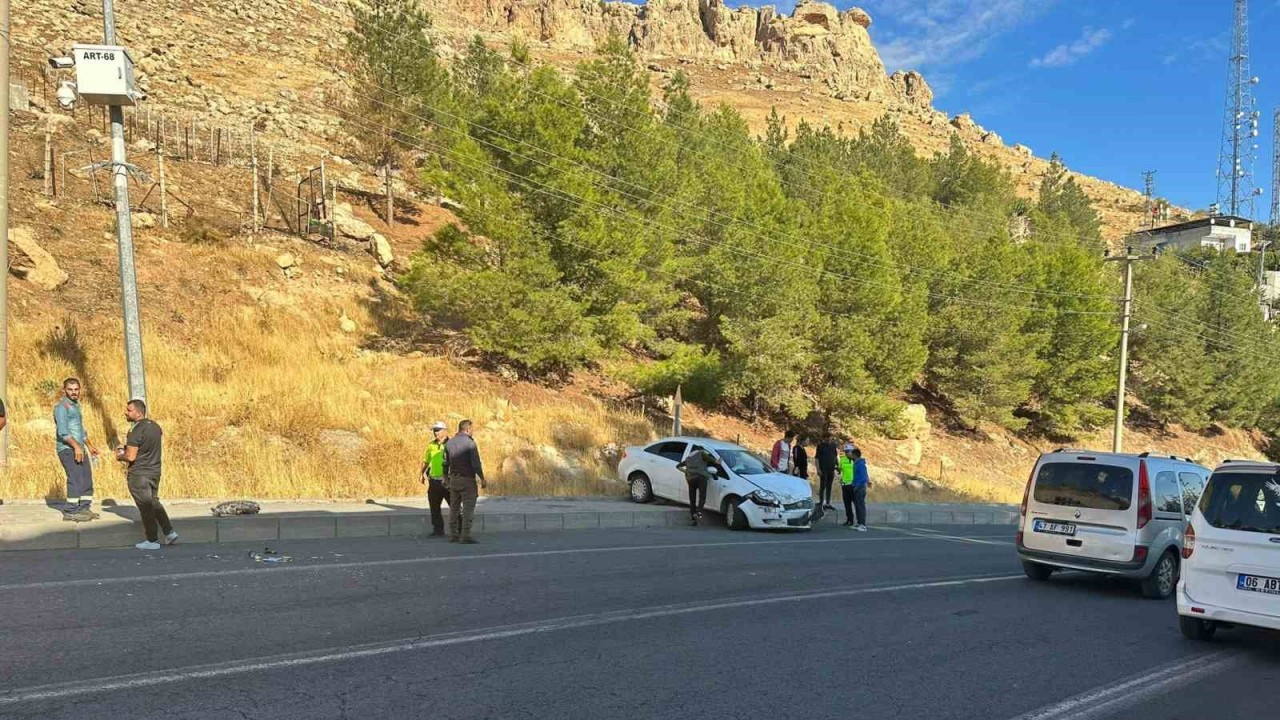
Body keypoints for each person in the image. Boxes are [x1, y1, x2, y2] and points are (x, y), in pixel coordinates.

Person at [115, 399, 177, 550]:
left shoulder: (135, 430)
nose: (126, 412)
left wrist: (120, 455)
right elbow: (146, 448)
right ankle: (169, 532)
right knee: (154, 502)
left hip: (139, 474)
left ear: (138, 412)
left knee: (145, 507)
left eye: (129, 410)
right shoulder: (155, 426)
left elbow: (131, 456)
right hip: (155, 471)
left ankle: (152, 540)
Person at [53, 378, 100, 521]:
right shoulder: (62, 407)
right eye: (70, 389)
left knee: (86, 478)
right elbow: (63, 432)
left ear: (80, 390)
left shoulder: (76, 406)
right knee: (75, 478)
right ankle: (71, 511)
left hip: (79, 448)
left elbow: (79, 429)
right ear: (64, 390)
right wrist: (76, 447)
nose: (74, 392)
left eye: (76, 389)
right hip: (68, 449)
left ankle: (84, 508)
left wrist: (89, 446)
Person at [443, 419, 486, 544]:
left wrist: (445, 477)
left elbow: (445, 463)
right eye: (472, 429)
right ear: (467, 429)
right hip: (467, 480)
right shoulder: (470, 443)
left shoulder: (449, 443)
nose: (473, 432)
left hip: (454, 479)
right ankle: (465, 535)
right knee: (468, 508)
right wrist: (482, 478)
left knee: (454, 508)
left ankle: (453, 534)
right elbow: (476, 464)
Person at [676, 445, 723, 526]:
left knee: (692, 500)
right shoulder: (702, 453)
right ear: (701, 449)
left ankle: (693, 520)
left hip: (690, 479)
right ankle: (699, 512)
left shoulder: (688, 458)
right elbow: (716, 462)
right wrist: (720, 460)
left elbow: (678, 466)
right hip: (701, 478)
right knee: (702, 497)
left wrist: (686, 472)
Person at [419, 421, 451, 538]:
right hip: (434, 481)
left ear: (444, 431)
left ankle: (459, 528)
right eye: (434, 430)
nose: (435, 433)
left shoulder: (451, 444)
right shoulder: (431, 445)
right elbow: (426, 460)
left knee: (454, 506)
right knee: (434, 506)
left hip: (448, 481)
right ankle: (438, 529)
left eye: (437, 430)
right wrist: (421, 473)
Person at [815, 434, 838, 512]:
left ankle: (828, 503)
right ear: (824, 439)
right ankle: (821, 502)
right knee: (823, 486)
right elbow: (817, 458)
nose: (828, 440)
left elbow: (835, 456)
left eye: (830, 438)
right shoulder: (820, 446)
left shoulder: (833, 445)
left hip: (831, 469)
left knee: (829, 486)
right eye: (827, 439)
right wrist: (818, 469)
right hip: (823, 469)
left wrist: (837, 465)